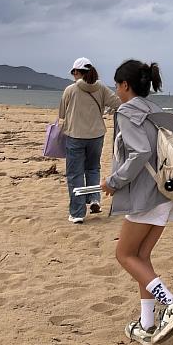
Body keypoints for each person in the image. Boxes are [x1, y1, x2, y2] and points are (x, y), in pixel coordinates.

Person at [100, 60, 173, 345]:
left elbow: (139, 152)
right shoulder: (155, 111)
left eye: (117, 85)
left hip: (146, 195)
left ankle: (171, 302)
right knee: (141, 257)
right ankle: (147, 324)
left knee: (124, 254)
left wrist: (114, 181)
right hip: (166, 192)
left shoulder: (127, 111)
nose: (116, 91)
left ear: (125, 85)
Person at [58, 57, 121, 224]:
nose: (72, 75)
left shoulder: (70, 90)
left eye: (73, 72)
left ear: (78, 72)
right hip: (97, 136)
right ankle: (94, 199)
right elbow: (118, 103)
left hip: (75, 136)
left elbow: (62, 115)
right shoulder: (101, 88)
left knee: (75, 174)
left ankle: (78, 213)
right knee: (93, 169)